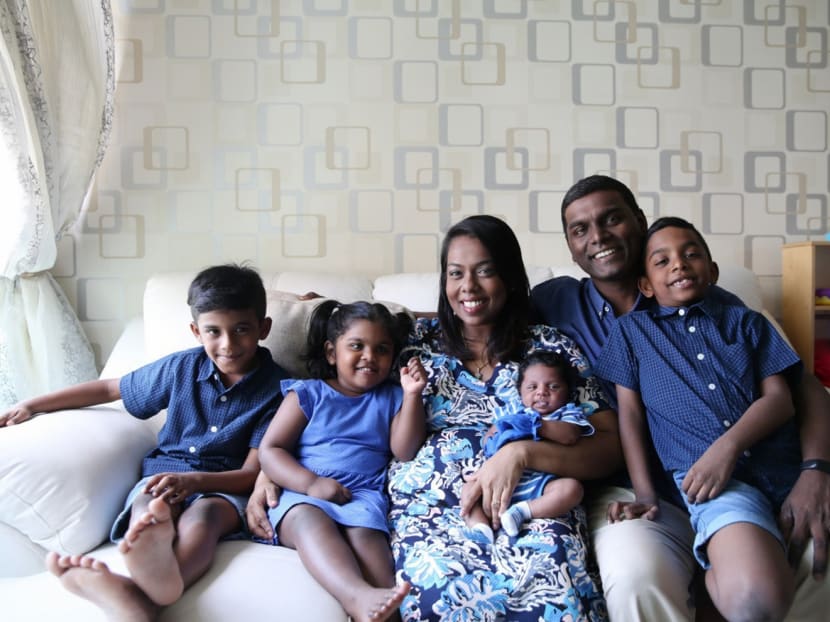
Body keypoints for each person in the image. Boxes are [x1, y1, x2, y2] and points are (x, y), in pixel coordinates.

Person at [248, 215, 620, 621]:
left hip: (533, 506)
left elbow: (608, 448)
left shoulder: (550, 347)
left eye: (485, 272)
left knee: (559, 603)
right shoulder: (412, 343)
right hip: (431, 514)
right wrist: (272, 473)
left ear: (511, 277)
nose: (468, 287)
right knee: (430, 601)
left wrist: (524, 455)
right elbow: (339, 389)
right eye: (455, 274)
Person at [530, 174, 830, 621]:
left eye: (613, 219)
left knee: (804, 559)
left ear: (638, 220)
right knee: (641, 572)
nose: (599, 237)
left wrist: (815, 470)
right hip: (636, 483)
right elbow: (482, 317)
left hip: (747, 469)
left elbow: (796, 388)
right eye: (581, 229)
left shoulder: (710, 301)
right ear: (571, 246)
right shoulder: (557, 301)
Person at [0, 263, 287, 622]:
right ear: (196, 331)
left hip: (223, 488)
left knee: (206, 518)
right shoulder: (181, 368)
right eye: (214, 331)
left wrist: (197, 482)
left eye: (241, 330)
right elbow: (109, 388)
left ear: (263, 328)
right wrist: (32, 403)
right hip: (164, 476)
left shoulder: (281, 391)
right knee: (149, 505)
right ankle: (150, 541)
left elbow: (250, 474)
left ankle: (145, 599)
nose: (227, 344)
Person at [594, 217, 802, 620]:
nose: (679, 265)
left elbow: (781, 401)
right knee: (755, 599)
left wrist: (728, 446)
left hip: (784, 470)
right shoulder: (632, 333)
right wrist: (645, 494)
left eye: (691, 254)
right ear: (645, 285)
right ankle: (717, 580)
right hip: (716, 489)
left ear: (713, 271)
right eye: (662, 260)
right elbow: (630, 418)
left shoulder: (749, 323)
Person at [257, 299, 427, 622]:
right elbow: (271, 450)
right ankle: (355, 596)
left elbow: (404, 450)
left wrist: (413, 395)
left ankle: (381, 610)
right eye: (357, 346)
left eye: (381, 349)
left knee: (372, 550)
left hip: (362, 497)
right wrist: (311, 484)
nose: (369, 357)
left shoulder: (391, 397)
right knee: (310, 521)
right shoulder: (308, 393)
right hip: (303, 493)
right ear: (332, 353)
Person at [462, 350, 595, 541]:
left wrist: (536, 425)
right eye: (532, 387)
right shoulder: (512, 411)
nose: (541, 392)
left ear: (568, 391)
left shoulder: (566, 413)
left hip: (542, 484)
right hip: (498, 480)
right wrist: (498, 437)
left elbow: (570, 436)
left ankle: (522, 512)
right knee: (468, 489)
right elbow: (489, 437)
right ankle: (479, 526)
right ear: (520, 391)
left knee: (572, 490)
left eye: (553, 386)